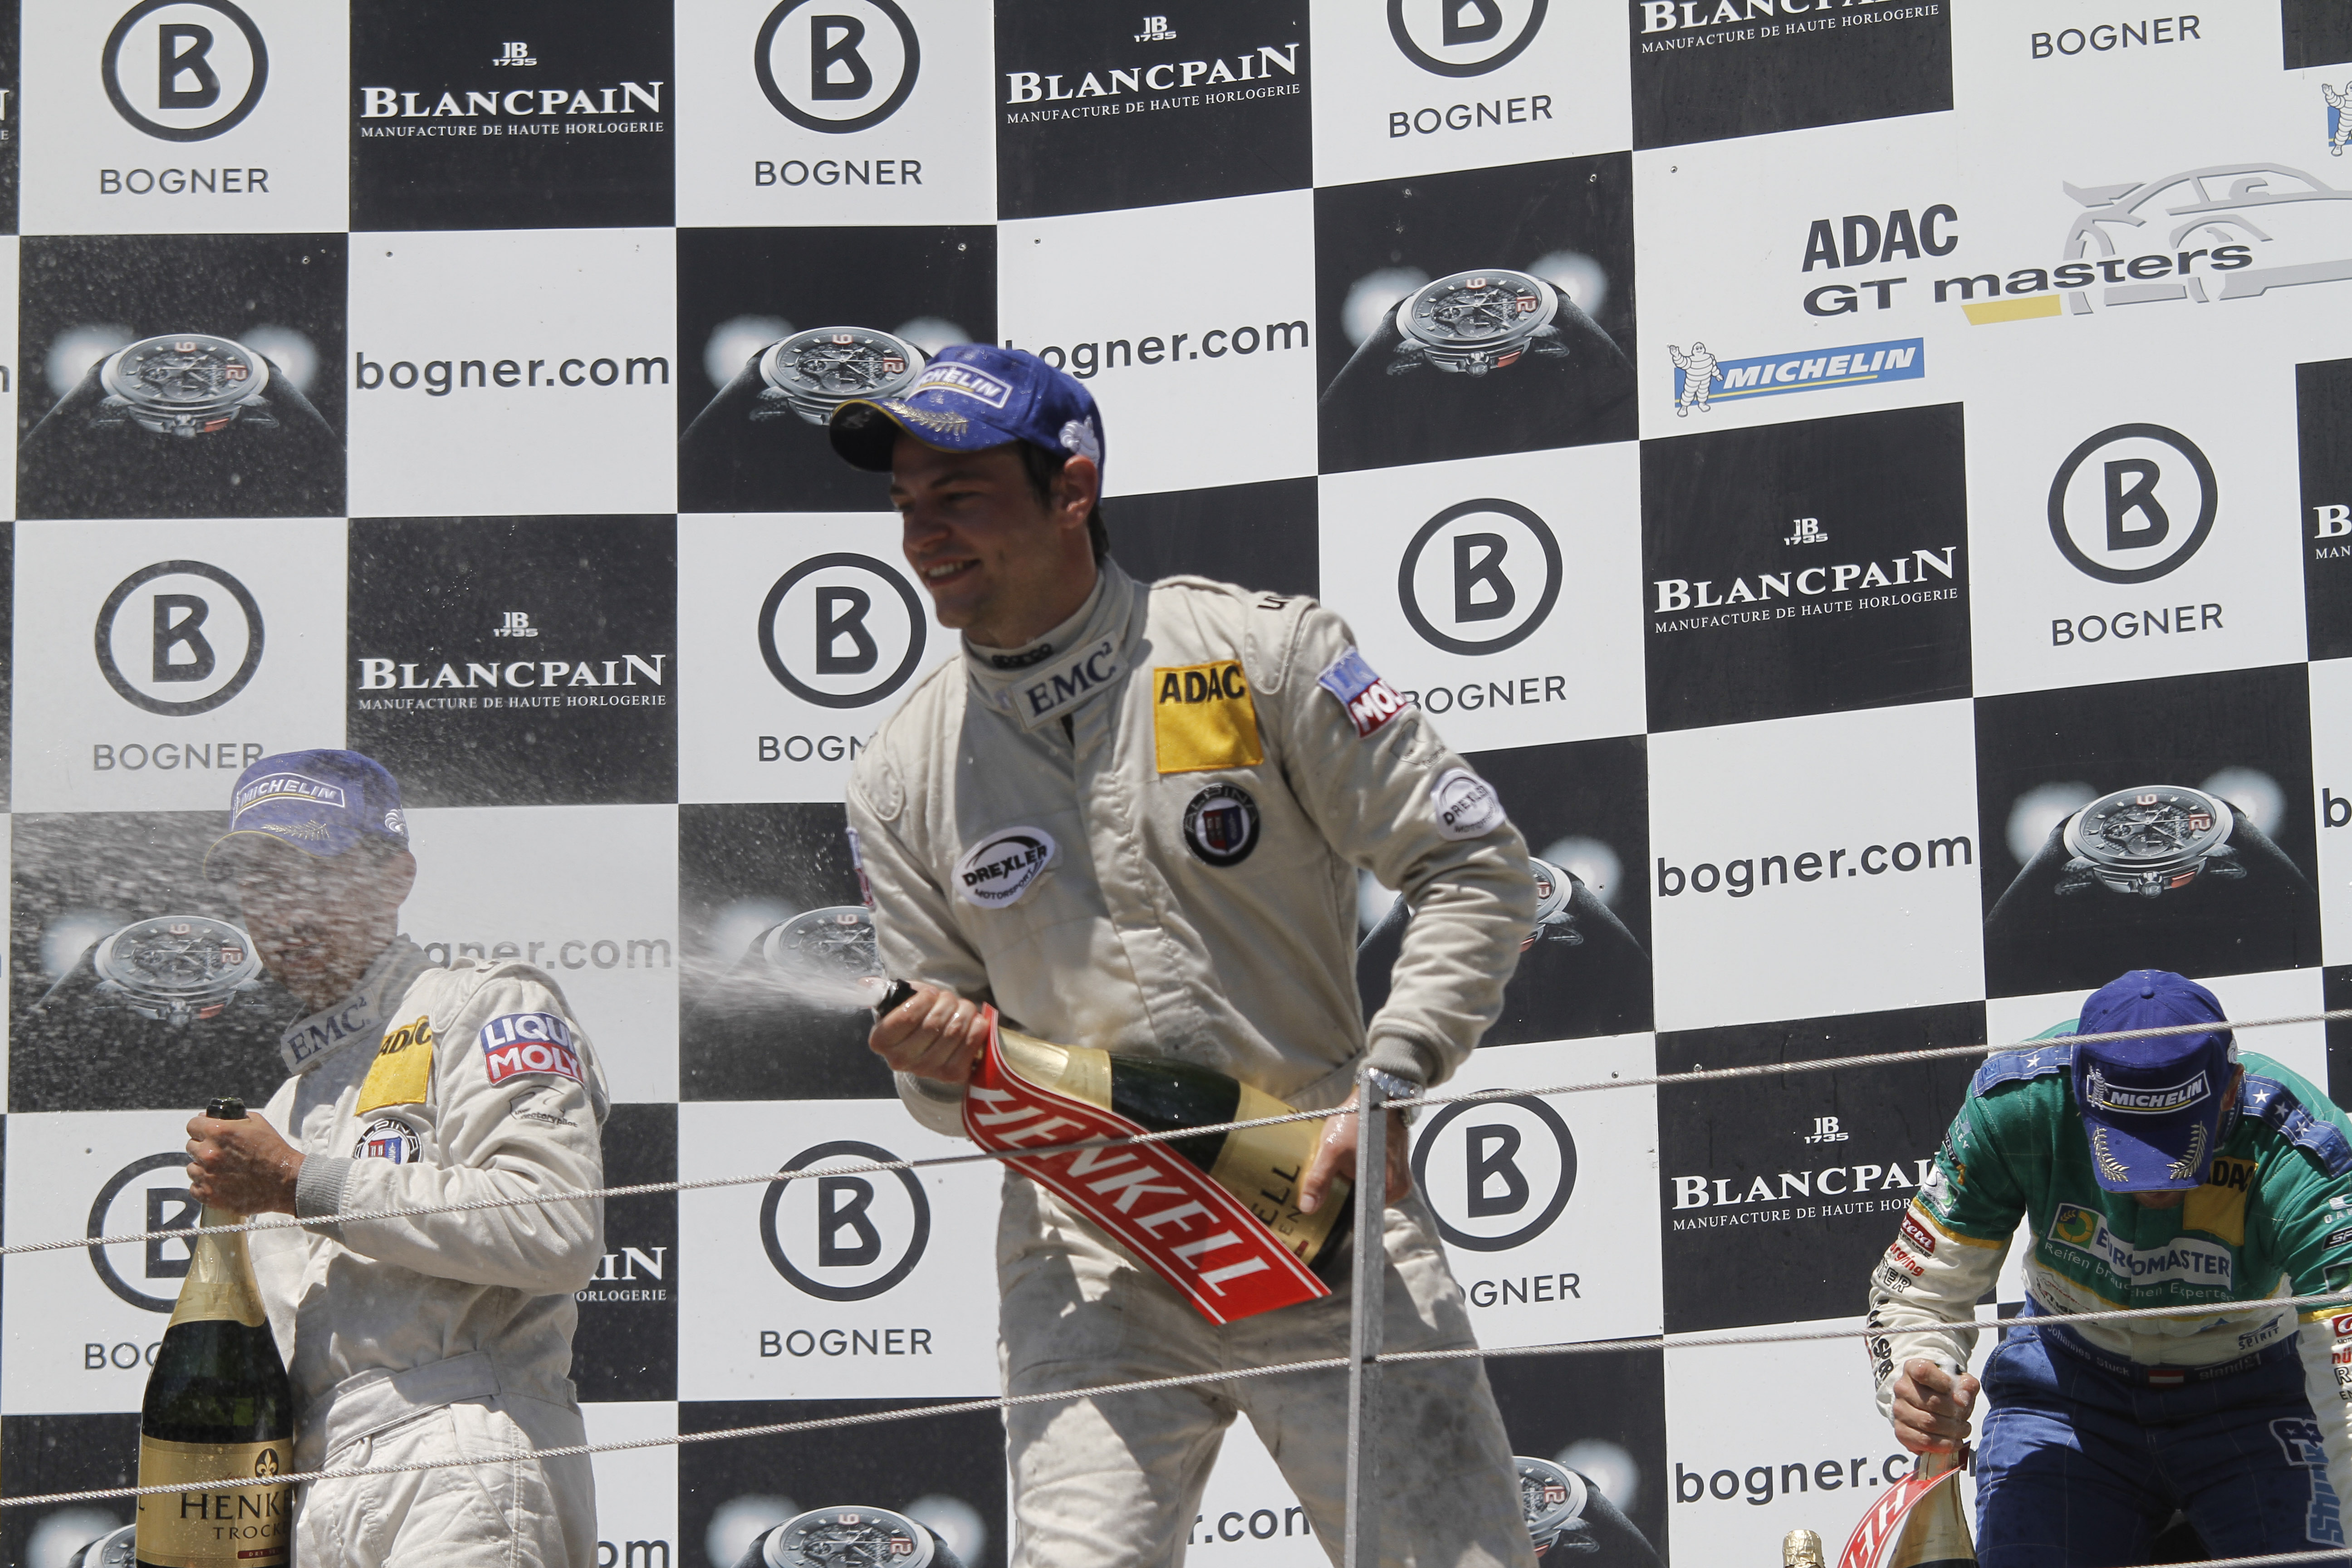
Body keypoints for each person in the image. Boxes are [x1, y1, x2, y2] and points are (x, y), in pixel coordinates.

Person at [831, 343, 1540, 1568]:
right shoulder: (902, 772)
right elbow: (943, 1095)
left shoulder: (1260, 655)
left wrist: (1392, 1078)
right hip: (1092, 1252)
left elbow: (1476, 865)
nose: (923, 536)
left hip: (1316, 1209)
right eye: (906, 504)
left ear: (1072, 490)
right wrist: (939, 1065)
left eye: (960, 497)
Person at [182, 750, 609, 1568]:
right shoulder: (284, 1106)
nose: (284, 907)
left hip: (461, 1445)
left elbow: (555, 1226)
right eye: (259, 883)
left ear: (394, 879)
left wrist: (297, 1181)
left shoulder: (484, 1002)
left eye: (313, 873)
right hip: (313, 1487)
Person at [1866, 968, 2352, 1567]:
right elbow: (1919, 1295)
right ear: (2077, 1090)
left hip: (2258, 1401)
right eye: (2124, 1142)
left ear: (2231, 1090)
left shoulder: (2305, 1151)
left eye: (2177, 1142)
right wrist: (1920, 1376)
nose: (2151, 1181)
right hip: (2066, 1395)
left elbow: (2348, 1390)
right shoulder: (2019, 1100)